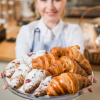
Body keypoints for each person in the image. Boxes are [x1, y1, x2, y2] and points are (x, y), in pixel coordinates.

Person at [0, 0, 98, 95]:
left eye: (57, 0)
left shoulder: (74, 30)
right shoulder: (26, 31)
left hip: (66, 96)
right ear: (36, 2)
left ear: (64, 1)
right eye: (43, 0)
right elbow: (21, 65)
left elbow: (78, 64)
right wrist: (14, 77)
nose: (50, 6)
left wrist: (82, 80)